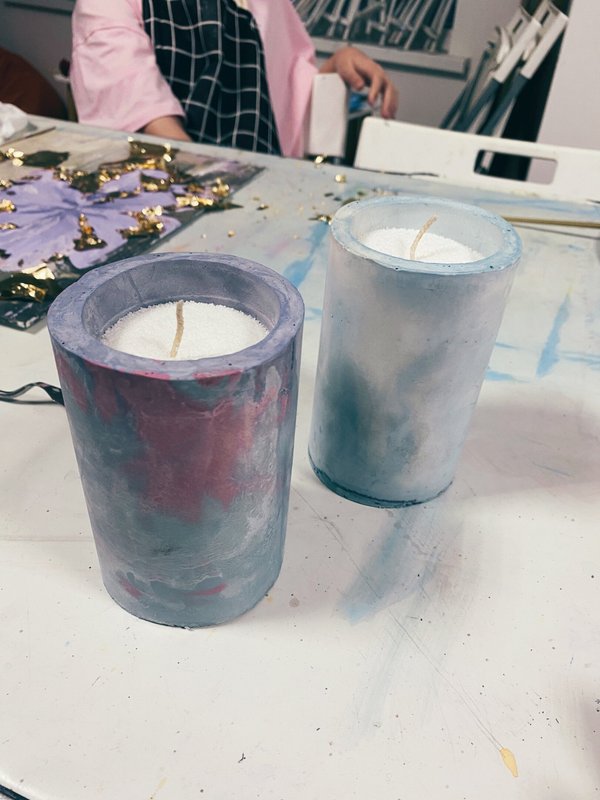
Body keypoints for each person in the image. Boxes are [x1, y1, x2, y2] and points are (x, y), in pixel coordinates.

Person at [70, 0, 398, 158]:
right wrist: (211, 179)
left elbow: (286, 97)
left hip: (260, 190)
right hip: (162, 189)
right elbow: (145, 116)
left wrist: (338, 65)